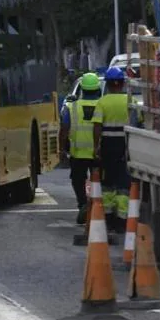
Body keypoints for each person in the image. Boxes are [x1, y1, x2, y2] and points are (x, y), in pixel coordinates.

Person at [60, 72, 101, 225]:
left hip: (78, 154)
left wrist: (62, 150)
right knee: (100, 182)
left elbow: (64, 130)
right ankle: (98, 208)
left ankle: (83, 204)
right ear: (97, 90)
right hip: (98, 154)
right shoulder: (102, 105)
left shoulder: (72, 107)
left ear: (82, 89)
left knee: (78, 181)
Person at [93, 66, 131, 227]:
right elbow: (138, 123)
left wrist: (96, 146)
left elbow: (97, 127)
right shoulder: (130, 101)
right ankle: (122, 217)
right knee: (123, 182)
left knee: (107, 182)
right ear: (122, 84)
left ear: (107, 85)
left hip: (108, 146)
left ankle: (108, 216)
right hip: (125, 146)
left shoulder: (102, 102)